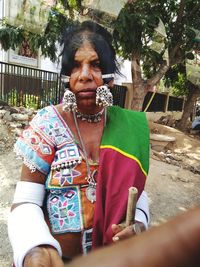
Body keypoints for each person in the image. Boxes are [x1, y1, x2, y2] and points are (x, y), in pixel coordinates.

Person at [8, 20, 150, 267]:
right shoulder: (47, 124)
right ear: (66, 76)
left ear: (111, 77)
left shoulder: (130, 127)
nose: (84, 76)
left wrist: (139, 225)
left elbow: (138, 193)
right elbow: (26, 200)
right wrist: (34, 249)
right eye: (75, 66)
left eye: (95, 65)